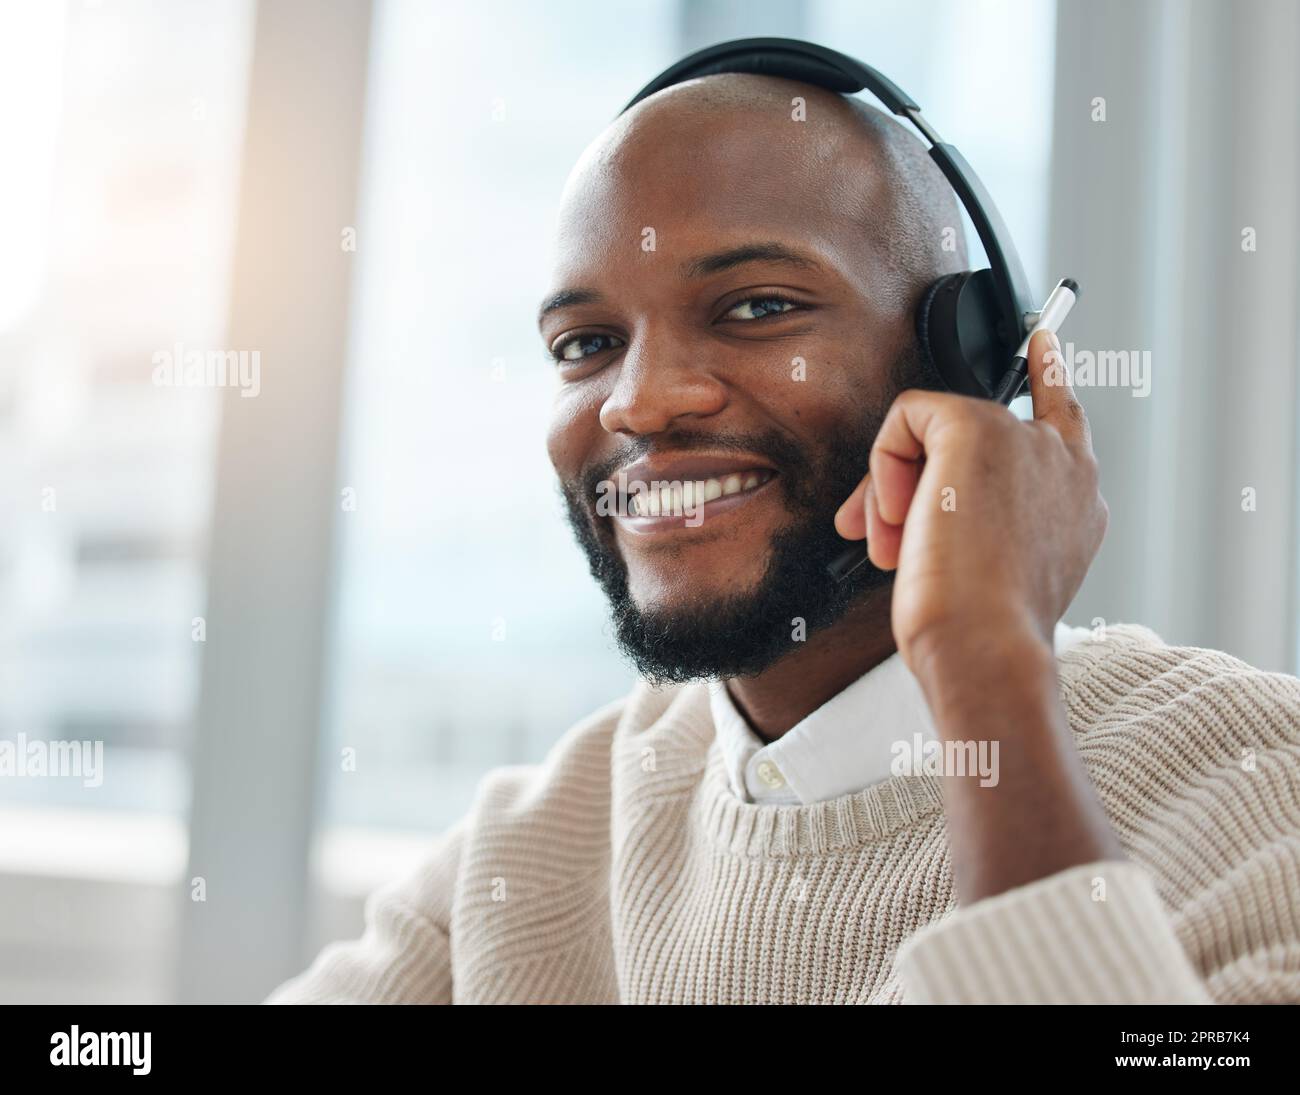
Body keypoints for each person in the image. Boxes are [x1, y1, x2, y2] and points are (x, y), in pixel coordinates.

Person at [266, 72, 1300, 1004]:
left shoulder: (1256, 788)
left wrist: (986, 659)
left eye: (756, 306)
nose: (642, 402)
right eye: (586, 344)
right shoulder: (536, 843)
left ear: (970, 363)